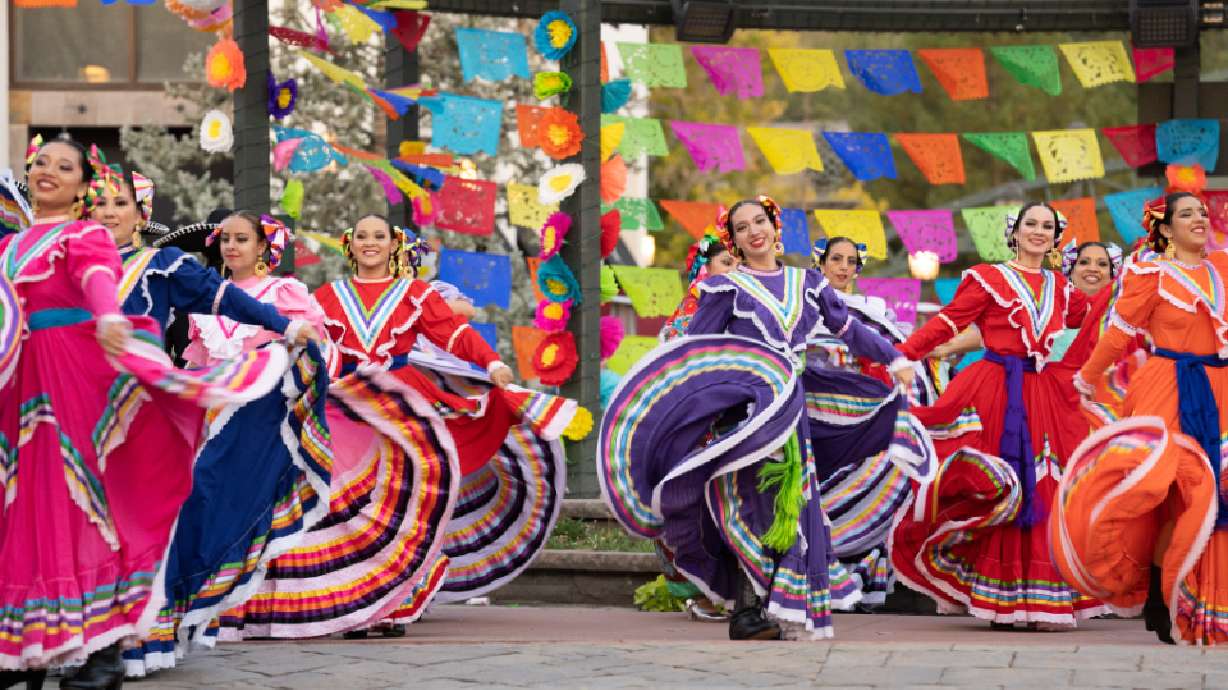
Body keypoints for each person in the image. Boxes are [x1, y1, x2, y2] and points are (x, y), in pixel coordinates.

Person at [218, 214, 585, 639]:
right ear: (349, 244)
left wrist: (494, 362)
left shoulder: (415, 293)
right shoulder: (329, 296)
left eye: (379, 236)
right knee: (349, 503)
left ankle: (396, 603)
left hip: (404, 404)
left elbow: (453, 334)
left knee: (407, 502)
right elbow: (311, 341)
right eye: (361, 236)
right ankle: (358, 600)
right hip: (348, 401)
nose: (370, 243)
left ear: (393, 246)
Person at [0, 136, 280, 690]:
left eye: (64, 166)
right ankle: (34, 647)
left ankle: (103, 650)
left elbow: (100, 281)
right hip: (23, 381)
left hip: (86, 378)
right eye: (39, 164)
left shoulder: (93, 239)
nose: (48, 172)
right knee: (28, 505)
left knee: (89, 504)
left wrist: (107, 317)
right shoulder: (10, 247)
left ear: (85, 186)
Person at [599, 196, 928, 641]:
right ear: (733, 240)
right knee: (745, 507)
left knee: (791, 505)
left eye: (760, 221)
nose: (753, 231)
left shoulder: (808, 283)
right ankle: (746, 611)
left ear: (776, 227)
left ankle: (782, 607)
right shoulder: (726, 288)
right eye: (741, 227)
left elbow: (849, 330)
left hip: (792, 412)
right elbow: (697, 353)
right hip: (742, 416)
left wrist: (895, 359)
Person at [107, 205, 330, 677]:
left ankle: (190, 606)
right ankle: (176, 611)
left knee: (214, 500)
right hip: (205, 414)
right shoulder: (200, 299)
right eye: (225, 239)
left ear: (263, 247)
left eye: (242, 239)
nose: (230, 246)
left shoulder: (283, 292)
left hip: (254, 418)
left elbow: (309, 347)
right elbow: (196, 364)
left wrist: (280, 355)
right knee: (189, 501)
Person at [890, 202, 1104, 631]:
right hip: (995, 392)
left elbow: (1096, 325)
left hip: (1042, 394)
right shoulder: (989, 278)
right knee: (999, 485)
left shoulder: (1062, 288)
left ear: (1056, 236)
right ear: (1016, 231)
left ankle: (1041, 598)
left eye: (1048, 226)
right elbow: (949, 322)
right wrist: (898, 355)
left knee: (1044, 486)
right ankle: (998, 597)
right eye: (1032, 224)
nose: (1039, 232)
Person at [1052, 192, 1228, 645]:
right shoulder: (1150, 273)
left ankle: (1195, 598)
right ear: (1166, 229)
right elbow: (1118, 335)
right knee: (1169, 489)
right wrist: (1086, 379)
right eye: (1186, 214)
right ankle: (1160, 591)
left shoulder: (1222, 270)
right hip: (1166, 386)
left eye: (1202, 213)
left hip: (1220, 389)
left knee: (1214, 496)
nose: (1198, 219)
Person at [810, 236, 940, 609]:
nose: (843, 267)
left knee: (862, 494)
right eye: (836, 259)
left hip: (858, 420)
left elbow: (894, 357)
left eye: (851, 261)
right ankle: (813, 582)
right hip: (812, 416)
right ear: (820, 263)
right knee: (815, 497)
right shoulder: (803, 306)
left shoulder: (871, 312)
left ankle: (858, 588)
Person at [655, 232, 738, 622]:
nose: (733, 272)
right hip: (694, 427)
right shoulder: (689, 312)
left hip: (734, 422)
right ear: (705, 268)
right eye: (726, 264)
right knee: (694, 507)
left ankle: (731, 592)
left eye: (737, 266)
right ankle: (704, 593)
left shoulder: (743, 304)